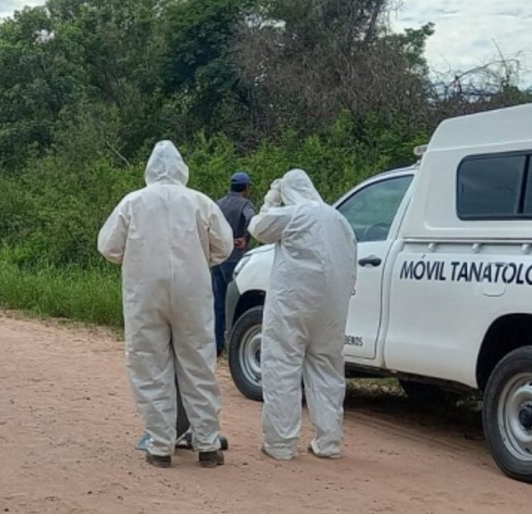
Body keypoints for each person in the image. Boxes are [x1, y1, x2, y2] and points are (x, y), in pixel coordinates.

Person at [98, 140, 233, 468]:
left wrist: (139, 258)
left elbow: (108, 247)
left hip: (144, 293)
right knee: (198, 362)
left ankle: (160, 445)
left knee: (149, 362)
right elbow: (225, 246)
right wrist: (199, 259)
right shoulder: (200, 202)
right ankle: (208, 444)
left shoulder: (133, 203)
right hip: (193, 291)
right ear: (182, 168)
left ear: (149, 169)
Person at [248, 169, 357, 460]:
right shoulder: (339, 220)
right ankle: (329, 443)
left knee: (282, 365)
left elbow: (258, 228)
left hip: (292, 304)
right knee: (327, 370)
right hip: (332, 307)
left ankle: (280, 444)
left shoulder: (295, 214)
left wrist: (270, 200)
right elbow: (351, 261)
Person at [212, 171, 256, 356]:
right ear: (246, 188)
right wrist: (245, 238)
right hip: (235, 259)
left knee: (218, 303)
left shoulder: (218, 204)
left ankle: (216, 344)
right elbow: (252, 219)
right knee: (234, 303)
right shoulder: (246, 204)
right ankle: (235, 345)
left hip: (216, 259)